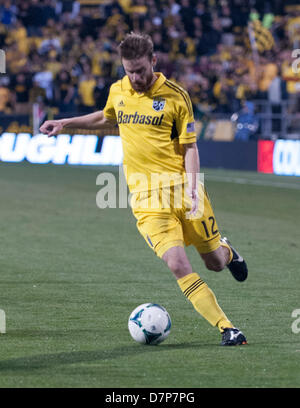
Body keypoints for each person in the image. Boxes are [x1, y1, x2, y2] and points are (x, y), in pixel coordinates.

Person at [40, 32, 248, 346]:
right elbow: (108, 118)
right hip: (146, 198)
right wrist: (66, 123)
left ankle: (227, 251)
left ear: (153, 61)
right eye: (129, 71)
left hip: (182, 190)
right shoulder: (118, 90)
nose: (135, 78)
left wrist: (193, 189)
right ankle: (227, 327)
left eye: (140, 70)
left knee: (215, 263)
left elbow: (190, 147)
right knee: (178, 264)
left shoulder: (176, 96)